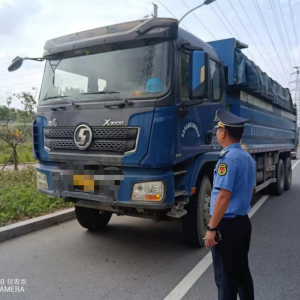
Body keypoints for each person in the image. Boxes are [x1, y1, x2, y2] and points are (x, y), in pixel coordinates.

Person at [204, 108, 256, 300]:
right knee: (242, 272)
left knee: (225, 279)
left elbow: (223, 198)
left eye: (218, 129)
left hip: (227, 227)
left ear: (223, 133)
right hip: (242, 223)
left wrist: (212, 228)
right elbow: (249, 190)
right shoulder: (246, 157)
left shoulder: (228, 160)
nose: (216, 132)